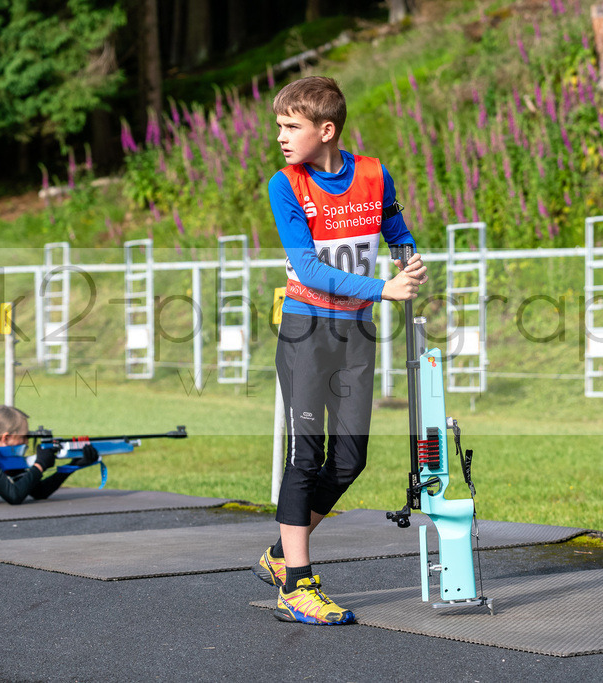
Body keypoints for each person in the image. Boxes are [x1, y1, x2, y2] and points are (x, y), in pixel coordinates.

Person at [254, 76, 427, 625]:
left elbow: (393, 224)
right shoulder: (285, 185)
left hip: (357, 335)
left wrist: (408, 257)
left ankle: (282, 553)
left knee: (351, 460)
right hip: (306, 332)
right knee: (305, 458)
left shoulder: (374, 173)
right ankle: (298, 586)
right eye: (279, 126)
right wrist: (382, 288)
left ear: (326, 130)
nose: (280, 136)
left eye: (291, 127)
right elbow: (307, 268)